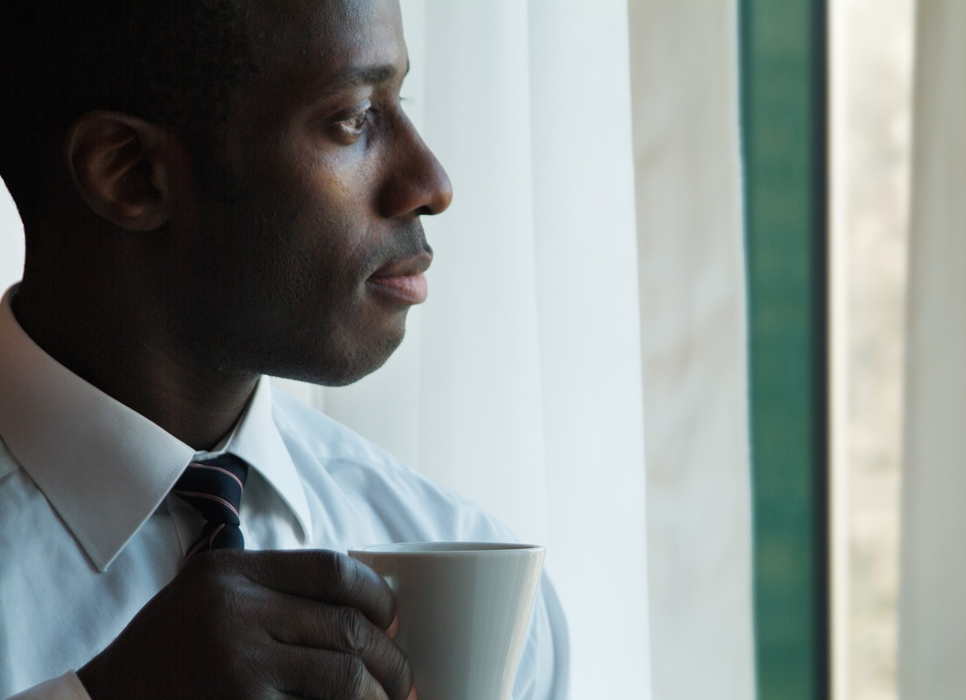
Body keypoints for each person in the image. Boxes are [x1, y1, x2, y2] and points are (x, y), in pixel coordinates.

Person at [0, 1, 569, 698]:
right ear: (129, 172)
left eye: (401, 100)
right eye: (354, 118)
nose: (431, 183)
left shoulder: (485, 594)